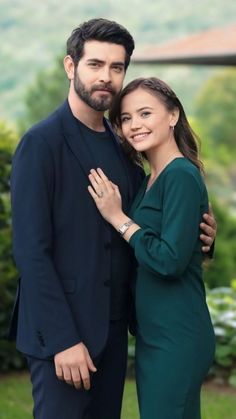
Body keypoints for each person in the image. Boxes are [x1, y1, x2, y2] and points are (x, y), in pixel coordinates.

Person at [9, 18, 216, 419]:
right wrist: (62, 340)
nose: (106, 77)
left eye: (117, 67)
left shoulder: (127, 153)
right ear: (71, 67)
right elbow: (31, 253)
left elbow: (152, 226)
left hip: (115, 335)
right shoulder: (41, 143)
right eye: (95, 64)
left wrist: (200, 234)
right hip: (63, 342)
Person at [88, 77, 216, 419]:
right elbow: (175, 241)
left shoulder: (180, 176)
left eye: (145, 113)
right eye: (126, 118)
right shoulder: (149, 180)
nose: (134, 125)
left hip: (177, 334)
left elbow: (170, 260)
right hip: (153, 332)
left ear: (172, 115)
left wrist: (119, 219)